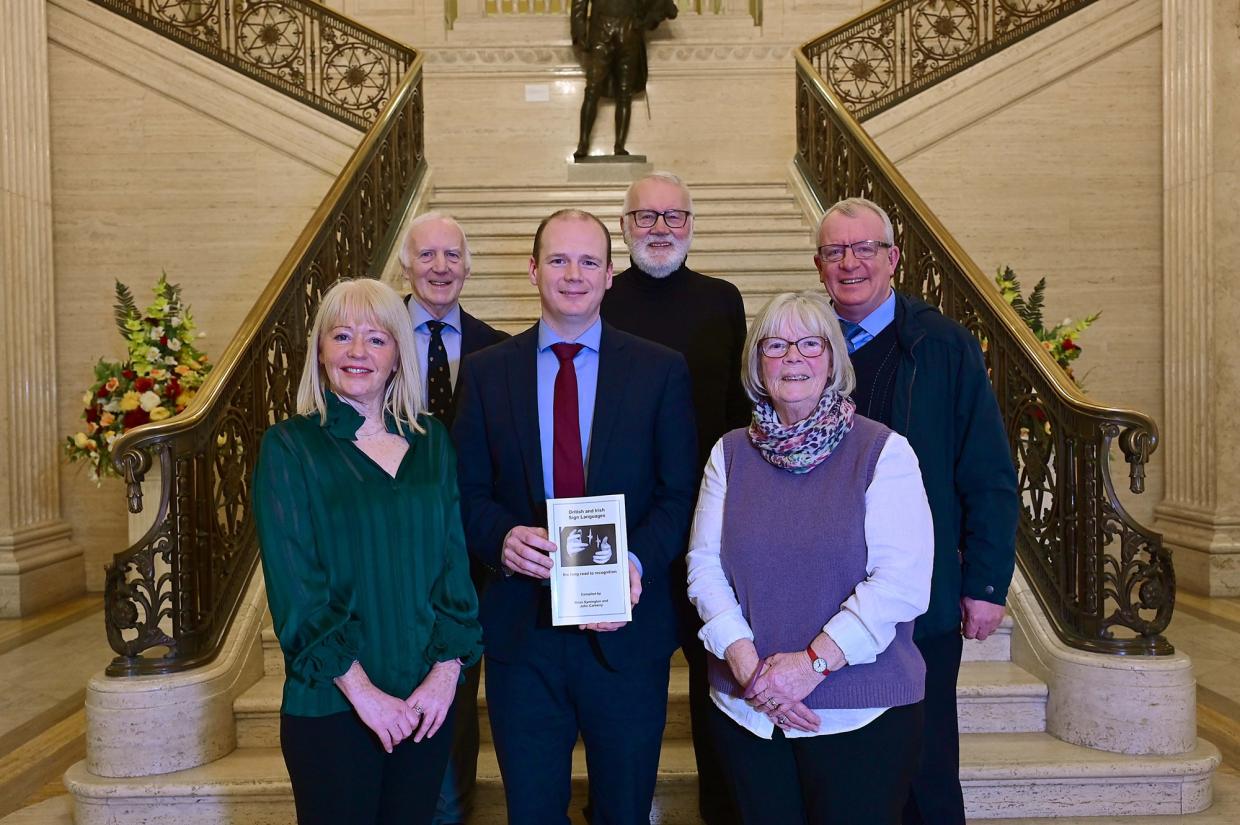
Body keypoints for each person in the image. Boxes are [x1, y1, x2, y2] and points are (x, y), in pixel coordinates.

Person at [452, 209, 698, 824]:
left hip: (626, 633)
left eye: (589, 261)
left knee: (623, 810)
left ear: (610, 275)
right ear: (533, 270)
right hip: (521, 634)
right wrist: (500, 538)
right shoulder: (485, 373)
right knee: (532, 812)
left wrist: (634, 561)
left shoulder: (660, 370)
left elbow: (679, 493)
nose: (573, 274)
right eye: (558, 260)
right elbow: (466, 490)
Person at [687, 290, 933, 824]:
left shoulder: (884, 452)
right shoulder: (728, 454)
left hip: (860, 715)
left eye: (809, 343)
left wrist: (812, 664)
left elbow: (901, 582)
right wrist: (751, 671)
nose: (792, 357)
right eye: (775, 345)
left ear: (833, 360)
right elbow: (704, 568)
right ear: (757, 364)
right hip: (748, 712)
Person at [813, 197, 1019, 825]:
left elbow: (985, 472)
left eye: (865, 249)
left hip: (920, 599)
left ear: (894, 259)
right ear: (818, 265)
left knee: (925, 770)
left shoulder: (945, 347)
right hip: (826, 600)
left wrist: (985, 582)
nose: (851, 263)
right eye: (835, 252)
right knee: (848, 771)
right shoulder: (799, 346)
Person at [253, 278, 483, 825]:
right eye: (342, 336)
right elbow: (297, 592)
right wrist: (365, 695)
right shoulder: (290, 447)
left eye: (377, 339)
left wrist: (444, 676)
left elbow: (455, 571)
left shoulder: (432, 443)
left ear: (399, 353)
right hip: (333, 705)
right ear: (320, 351)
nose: (359, 352)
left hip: (425, 704)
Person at [599, 171, 749, 825]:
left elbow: (740, 411)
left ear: (693, 223)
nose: (661, 229)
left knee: (715, 673)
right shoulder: (595, 295)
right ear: (624, 224)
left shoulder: (723, 300)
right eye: (646, 217)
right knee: (619, 686)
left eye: (674, 217)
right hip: (623, 527)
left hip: (708, 527)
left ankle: (723, 810)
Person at [398, 210, 508, 825]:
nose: (440, 267)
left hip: (472, 547)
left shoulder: (497, 348)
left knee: (457, 682)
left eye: (451, 256)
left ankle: (451, 806)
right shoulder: (376, 342)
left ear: (468, 267)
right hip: (396, 543)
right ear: (405, 266)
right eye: (427, 255)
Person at [570, 0, 677, 158]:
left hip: (629, 31)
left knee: (624, 92)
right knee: (592, 88)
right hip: (600, 30)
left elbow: (665, 5)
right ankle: (583, 143)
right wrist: (579, 31)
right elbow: (580, 3)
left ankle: (620, 145)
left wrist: (645, 22)